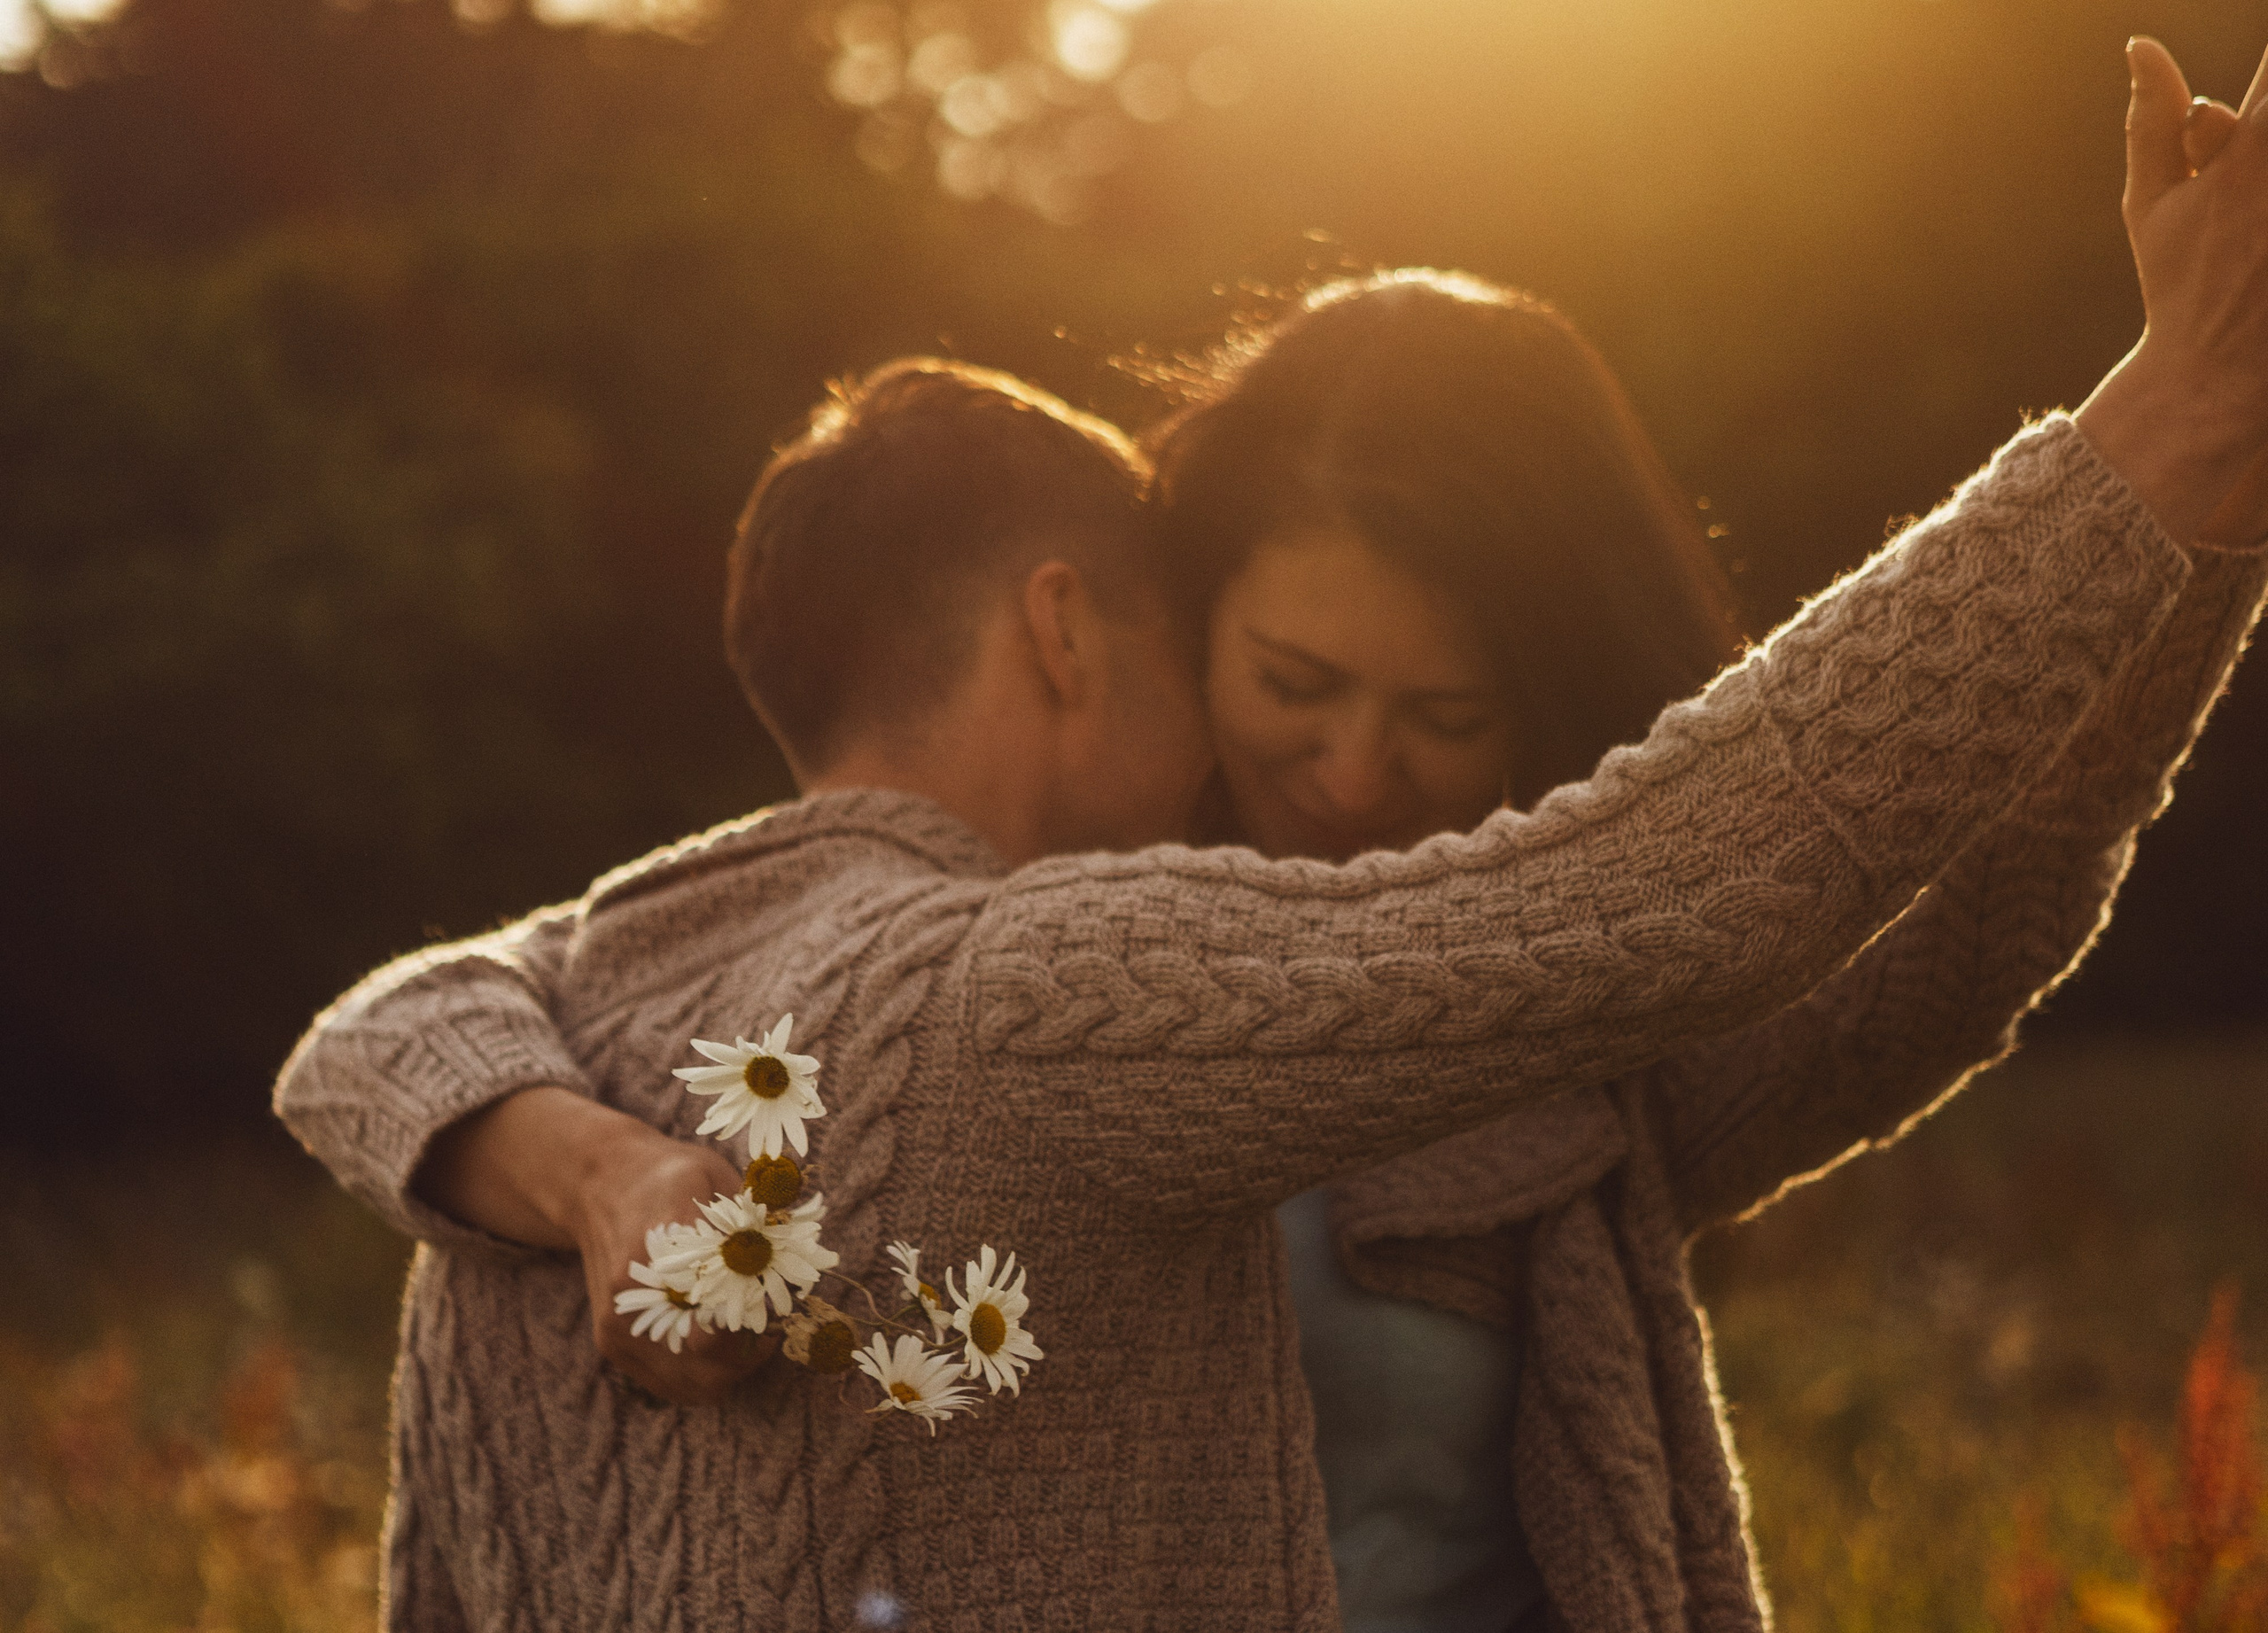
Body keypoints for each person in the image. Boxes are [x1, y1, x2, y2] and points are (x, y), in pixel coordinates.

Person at [274, 37, 2268, 1632]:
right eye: (1288, 687)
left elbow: (1892, 956)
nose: (1348, 769)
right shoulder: (1008, 984)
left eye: (1443, 714)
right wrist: (2149, 434)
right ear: (1091, 620)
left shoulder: (1505, 1055)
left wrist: (2195, 540)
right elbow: (1680, 867)